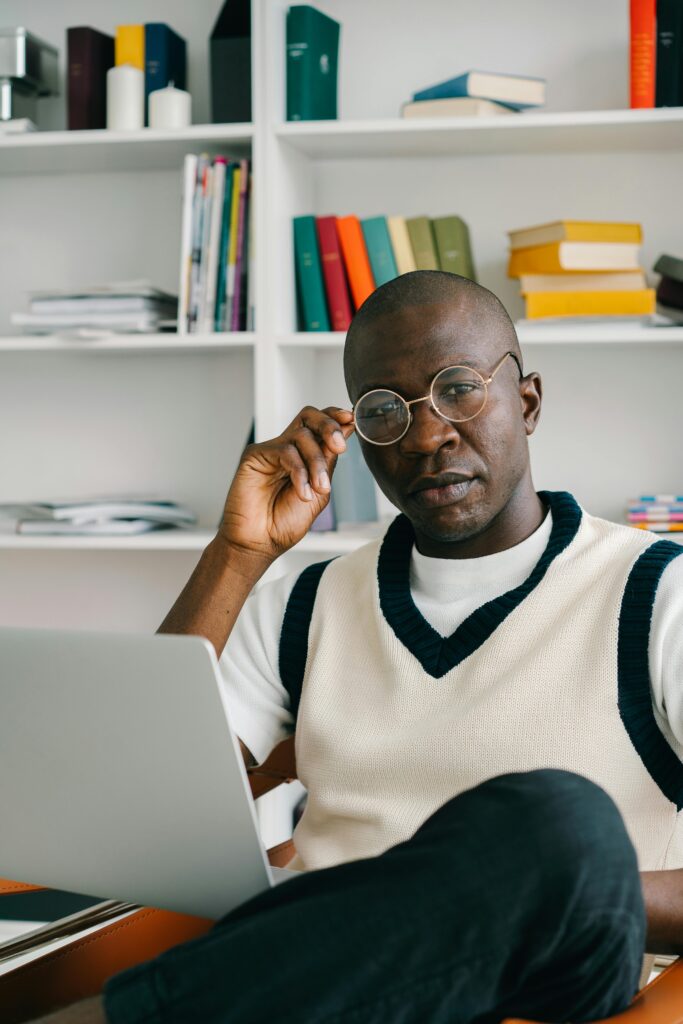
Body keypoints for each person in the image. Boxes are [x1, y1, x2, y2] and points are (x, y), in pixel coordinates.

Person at [35, 271, 683, 1024]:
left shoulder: (656, 595)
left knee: (555, 823)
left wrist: (566, 885)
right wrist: (238, 552)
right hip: (328, 986)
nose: (426, 435)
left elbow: (552, 861)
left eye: (458, 390)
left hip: (543, 979)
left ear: (527, 402)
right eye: (384, 410)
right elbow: (134, 799)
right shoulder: (303, 602)